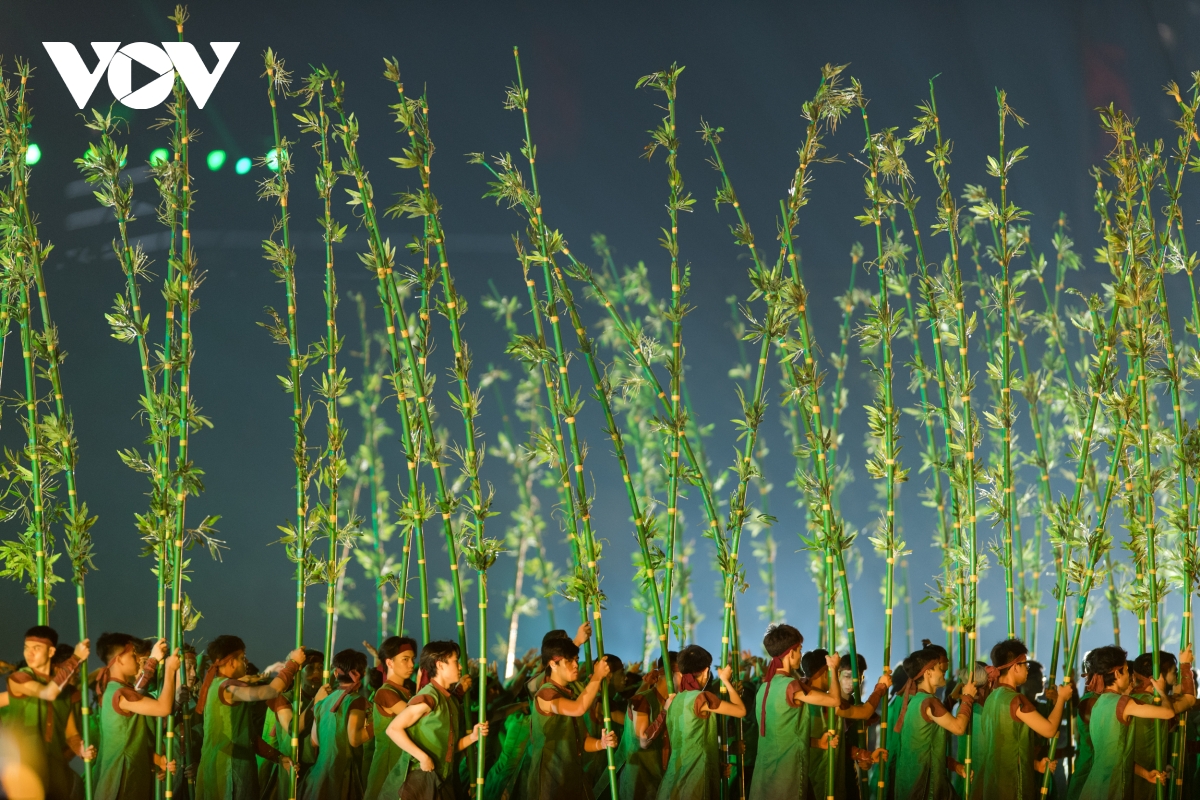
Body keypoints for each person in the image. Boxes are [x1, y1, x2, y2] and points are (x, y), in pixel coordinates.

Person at [1074, 645, 1195, 799]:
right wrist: (1162, 691)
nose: (1130, 676)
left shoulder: (1098, 703)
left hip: (1095, 783)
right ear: (1117, 674)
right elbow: (1168, 712)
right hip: (1112, 786)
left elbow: (1118, 756)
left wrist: (1145, 774)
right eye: (1126, 671)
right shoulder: (1124, 703)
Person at [193, 635, 305, 800]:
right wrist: (293, 663)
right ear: (231, 661)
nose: (246, 662)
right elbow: (270, 691)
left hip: (222, 767)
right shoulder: (227, 689)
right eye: (242, 658)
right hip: (228, 770)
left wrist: (278, 757)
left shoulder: (215, 686)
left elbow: (248, 736)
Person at [747, 625, 843, 800]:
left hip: (764, 779)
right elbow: (835, 700)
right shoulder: (792, 687)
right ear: (791, 653)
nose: (800, 654)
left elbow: (784, 736)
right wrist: (833, 669)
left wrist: (818, 743)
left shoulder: (763, 688)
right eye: (799, 650)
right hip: (786, 779)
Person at [970, 639, 1072, 800]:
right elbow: (1050, 730)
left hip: (992, 781)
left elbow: (1009, 747)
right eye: (1026, 665)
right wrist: (1061, 699)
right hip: (1012, 785)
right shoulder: (1015, 700)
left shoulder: (991, 699)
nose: (1027, 670)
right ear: (1015, 666)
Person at [385, 640, 487, 799]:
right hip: (421, 780)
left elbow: (448, 748)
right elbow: (393, 729)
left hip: (443, 779)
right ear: (440, 665)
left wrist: (473, 737)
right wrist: (423, 757)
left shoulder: (450, 700)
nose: (460, 667)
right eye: (456, 662)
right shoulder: (429, 697)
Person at [520, 635, 615, 799]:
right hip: (550, 781)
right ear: (553, 664)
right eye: (569, 661)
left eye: (576, 660)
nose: (576, 665)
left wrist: (601, 743)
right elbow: (579, 708)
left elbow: (582, 741)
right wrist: (597, 677)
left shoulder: (569, 694)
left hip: (573, 777)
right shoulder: (546, 694)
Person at [5, 626, 93, 800]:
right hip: (23, 766)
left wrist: (81, 750)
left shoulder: (68, 692)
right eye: (26, 648)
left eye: (36, 648)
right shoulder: (19, 678)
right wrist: (75, 658)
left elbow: (71, 734)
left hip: (54, 767)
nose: (29, 653)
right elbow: (48, 693)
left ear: (51, 652)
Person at [92, 633, 179, 800]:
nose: (137, 660)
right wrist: (170, 670)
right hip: (122, 778)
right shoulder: (120, 694)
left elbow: (129, 742)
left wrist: (158, 760)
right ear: (119, 659)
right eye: (133, 655)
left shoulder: (112, 690)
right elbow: (163, 708)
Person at [654, 644, 746, 800]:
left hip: (674, 776)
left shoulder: (674, 700)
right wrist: (726, 681)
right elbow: (740, 710)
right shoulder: (701, 698)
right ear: (706, 671)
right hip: (694, 778)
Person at [892, 646, 976, 800]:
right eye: (939, 667)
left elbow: (926, 750)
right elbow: (958, 728)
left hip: (912, 785)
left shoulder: (914, 700)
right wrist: (968, 697)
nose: (943, 672)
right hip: (925, 788)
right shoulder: (929, 702)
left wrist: (956, 766)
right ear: (928, 672)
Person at [601, 650, 677, 800]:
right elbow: (641, 736)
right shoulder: (640, 700)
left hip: (659, 779)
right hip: (636, 778)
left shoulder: (674, 701)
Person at [301, 648, 370, 800]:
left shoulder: (322, 702)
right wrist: (377, 724)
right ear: (363, 674)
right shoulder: (356, 700)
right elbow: (355, 739)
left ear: (336, 674)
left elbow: (315, 741)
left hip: (319, 775)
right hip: (342, 774)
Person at [1128, 649, 1195, 800]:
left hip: (1132, 771)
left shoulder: (1129, 699)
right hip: (1149, 773)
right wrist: (1185, 664)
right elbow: (1189, 699)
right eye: (1173, 671)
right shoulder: (1157, 704)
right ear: (1160, 676)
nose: (1176, 675)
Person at [259, 649, 324, 800]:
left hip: (318, 768)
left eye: (320, 668)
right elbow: (292, 729)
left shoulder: (324, 697)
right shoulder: (285, 698)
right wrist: (316, 703)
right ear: (298, 673)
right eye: (310, 668)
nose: (316, 672)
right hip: (293, 766)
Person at [363, 636, 417, 799]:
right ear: (389, 662)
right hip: (388, 765)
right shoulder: (386, 692)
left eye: (413, 659)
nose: (411, 664)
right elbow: (416, 719)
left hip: (401, 763)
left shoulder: (404, 691)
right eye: (405, 659)